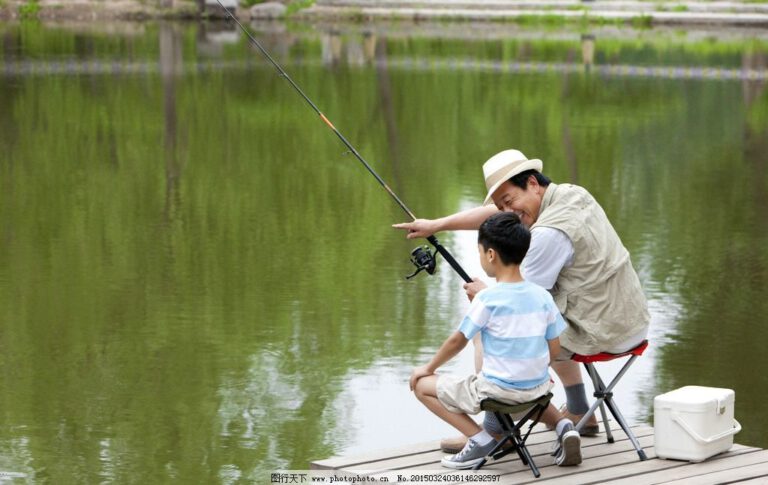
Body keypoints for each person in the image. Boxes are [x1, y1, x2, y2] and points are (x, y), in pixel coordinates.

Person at [396, 149, 650, 455]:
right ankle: (580, 409)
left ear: (531, 183)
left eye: (509, 200)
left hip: (602, 330)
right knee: (545, 321)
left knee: (490, 327)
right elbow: (501, 218)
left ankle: (496, 427)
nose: (507, 210)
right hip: (630, 318)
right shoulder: (571, 194)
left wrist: (486, 296)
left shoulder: (548, 235)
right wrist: (436, 225)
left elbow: (516, 306)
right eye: (501, 204)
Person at [410, 212, 582, 469]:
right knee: (526, 389)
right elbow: (554, 347)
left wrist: (428, 368)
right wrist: (534, 369)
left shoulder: (486, 299)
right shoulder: (542, 296)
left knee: (422, 385)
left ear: (490, 255)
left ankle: (480, 440)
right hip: (538, 389)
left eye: (480, 252)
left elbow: (457, 341)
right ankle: (563, 424)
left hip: (498, 393)